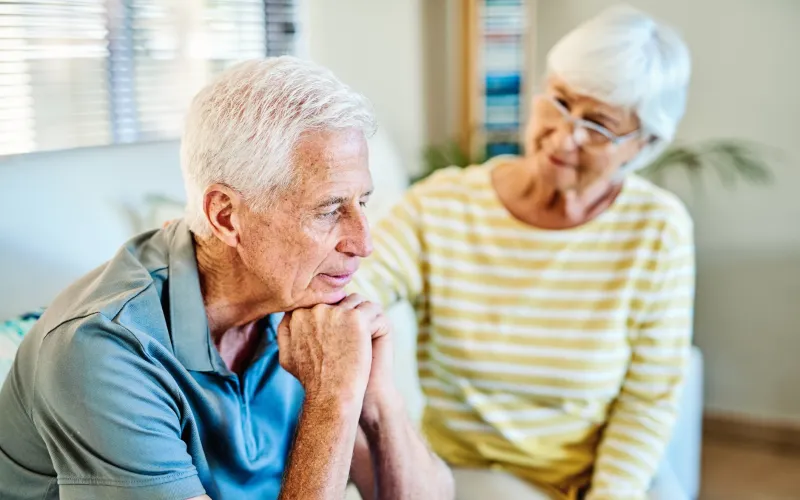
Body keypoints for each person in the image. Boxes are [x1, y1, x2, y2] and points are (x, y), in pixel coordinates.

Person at [0, 57, 454, 500]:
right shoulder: (102, 351)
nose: (363, 242)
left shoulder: (302, 298)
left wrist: (377, 401)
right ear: (226, 216)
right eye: (329, 209)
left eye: (363, 203)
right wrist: (332, 398)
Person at [351, 6, 694, 500]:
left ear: (643, 144)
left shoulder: (658, 230)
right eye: (558, 100)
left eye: (598, 124)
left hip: (598, 474)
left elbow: (649, 396)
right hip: (475, 469)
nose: (565, 134)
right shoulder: (443, 205)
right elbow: (358, 279)